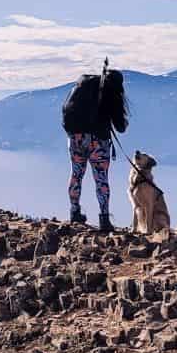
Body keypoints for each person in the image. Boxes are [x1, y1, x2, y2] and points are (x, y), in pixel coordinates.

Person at [61, 62, 128, 231]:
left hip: (75, 137)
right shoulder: (111, 94)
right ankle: (104, 219)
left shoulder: (83, 89)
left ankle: (74, 212)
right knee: (101, 179)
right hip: (98, 142)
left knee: (76, 174)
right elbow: (121, 127)